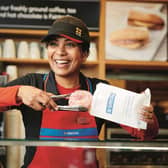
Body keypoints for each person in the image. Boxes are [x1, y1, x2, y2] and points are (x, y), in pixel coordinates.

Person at [0, 16, 159, 168]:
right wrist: (19, 92)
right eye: (53, 44)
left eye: (70, 44)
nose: (60, 51)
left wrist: (147, 117)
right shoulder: (32, 83)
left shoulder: (99, 90)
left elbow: (146, 133)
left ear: (84, 54)